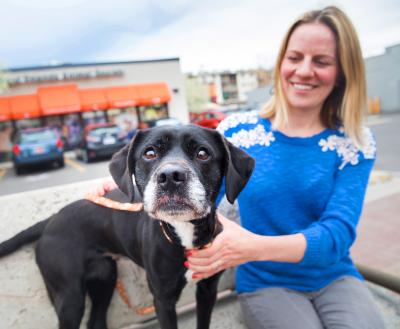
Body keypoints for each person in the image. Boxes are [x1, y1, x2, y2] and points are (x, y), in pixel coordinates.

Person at [92, 6, 384, 329]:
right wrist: (121, 190)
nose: (303, 70)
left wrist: (250, 246)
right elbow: (199, 189)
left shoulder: (356, 143)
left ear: (344, 71)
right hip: (266, 280)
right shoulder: (237, 132)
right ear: (280, 63)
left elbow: (337, 234)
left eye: (322, 61)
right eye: (295, 57)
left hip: (333, 275)